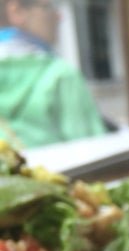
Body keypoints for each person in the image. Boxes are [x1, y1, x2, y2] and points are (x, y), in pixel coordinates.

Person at [0, 0, 107, 148]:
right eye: (50, 7)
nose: (59, 16)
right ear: (16, 12)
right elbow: (96, 152)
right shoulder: (61, 75)